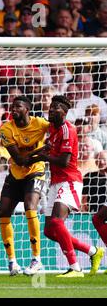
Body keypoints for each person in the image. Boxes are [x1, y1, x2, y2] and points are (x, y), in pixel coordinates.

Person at [28, 95, 104, 277]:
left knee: (56, 221)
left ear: (64, 112)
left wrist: (43, 157)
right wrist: (29, 157)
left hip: (69, 180)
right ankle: (92, 251)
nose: (51, 110)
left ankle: (75, 267)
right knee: (48, 231)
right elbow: (47, 149)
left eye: (55, 108)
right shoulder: (53, 130)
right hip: (55, 182)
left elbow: (64, 161)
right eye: (50, 107)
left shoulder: (68, 129)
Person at [0, 96, 50, 276]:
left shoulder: (41, 124)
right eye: (12, 106)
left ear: (27, 109)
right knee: (3, 211)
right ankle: (12, 262)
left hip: (36, 171)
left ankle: (37, 259)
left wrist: (49, 151)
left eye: (18, 106)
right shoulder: (6, 129)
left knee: (30, 206)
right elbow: (19, 160)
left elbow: (58, 130)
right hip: (16, 172)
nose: (13, 109)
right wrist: (42, 151)